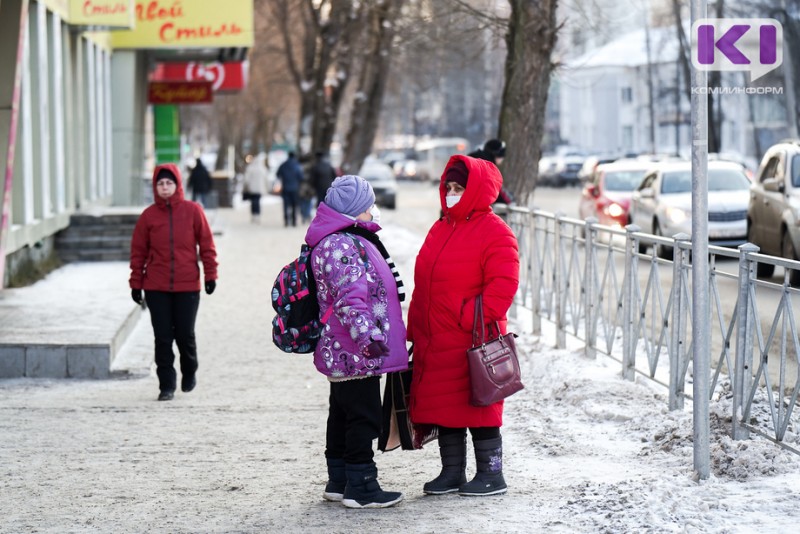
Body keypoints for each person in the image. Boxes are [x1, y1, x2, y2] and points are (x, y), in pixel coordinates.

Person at [407, 155, 519, 496]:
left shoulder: (495, 231)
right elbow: (424, 282)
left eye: (460, 188)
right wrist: (415, 327)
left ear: (476, 190)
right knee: (445, 410)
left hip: (472, 339)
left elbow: (504, 285)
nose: (452, 193)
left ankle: (491, 473)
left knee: (481, 409)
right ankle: (451, 472)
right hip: (436, 339)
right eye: (449, 187)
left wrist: (466, 316)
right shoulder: (441, 226)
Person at [304, 175, 407, 509]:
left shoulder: (336, 239)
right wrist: (369, 340)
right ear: (354, 210)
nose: (372, 211)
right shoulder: (342, 245)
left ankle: (340, 478)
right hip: (355, 350)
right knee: (363, 415)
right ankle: (362, 485)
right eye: (368, 206)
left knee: (343, 413)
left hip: (342, 350)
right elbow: (350, 301)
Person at [129, 164, 218, 401]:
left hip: (187, 285)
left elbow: (207, 246)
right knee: (163, 337)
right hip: (156, 287)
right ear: (155, 187)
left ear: (177, 185)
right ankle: (166, 385)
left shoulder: (193, 211)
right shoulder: (148, 216)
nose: (165, 187)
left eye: (169, 183)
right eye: (160, 183)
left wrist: (210, 276)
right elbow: (138, 253)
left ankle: (189, 370)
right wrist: (136, 283)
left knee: (185, 335)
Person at [468, 139, 514, 205]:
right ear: (496, 153)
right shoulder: (489, 167)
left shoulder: (472, 157)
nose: (502, 159)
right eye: (502, 155)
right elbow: (493, 190)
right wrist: (506, 203)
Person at [276, 151, 303, 227]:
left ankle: (286, 221)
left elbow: (277, 174)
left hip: (285, 188)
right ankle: (294, 221)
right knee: (294, 205)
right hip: (295, 188)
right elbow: (301, 177)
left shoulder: (283, 165)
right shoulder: (297, 165)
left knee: (285, 205)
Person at [243, 154, 269, 223]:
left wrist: (246, 186)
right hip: (259, 188)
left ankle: (254, 215)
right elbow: (266, 179)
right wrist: (267, 187)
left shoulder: (250, 168)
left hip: (252, 188)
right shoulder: (263, 169)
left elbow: (246, 179)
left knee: (253, 202)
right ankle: (257, 215)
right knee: (257, 202)